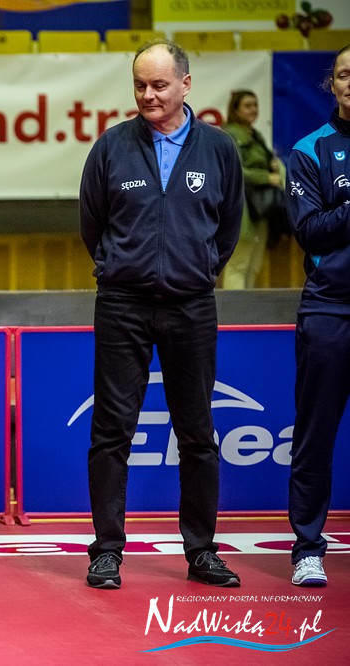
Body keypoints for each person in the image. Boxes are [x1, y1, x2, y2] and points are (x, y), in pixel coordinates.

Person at [78, 41, 244, 589]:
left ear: (186, 85)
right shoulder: (110, 147)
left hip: (191, 307)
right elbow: (92, 224)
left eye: (159, 85)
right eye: (139, 86)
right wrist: (119, 268)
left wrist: (199, 269)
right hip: (122, 305)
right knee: (111, 431)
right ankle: (106, 551)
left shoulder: (219, 148)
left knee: (197, 433)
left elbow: (228, 226)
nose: (148, 95)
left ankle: (201, 552)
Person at [285, 44, 350, 588]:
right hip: (331, 309)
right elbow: (310, 231)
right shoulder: (310, 151)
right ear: (333, 84)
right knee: (315, 435)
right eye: (345, 75)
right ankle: (308, 548)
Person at [221, 89, 285, 289]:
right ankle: (234, 309)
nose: (253, 110)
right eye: (247, 106)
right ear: (235, 110)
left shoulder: (255, 134)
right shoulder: (230, 134)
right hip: (242, 209)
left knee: (253, 266)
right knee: (238, 265)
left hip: (260, 208)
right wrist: (267, 177)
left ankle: (246, 308)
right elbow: (235, 170)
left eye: (255, 105)